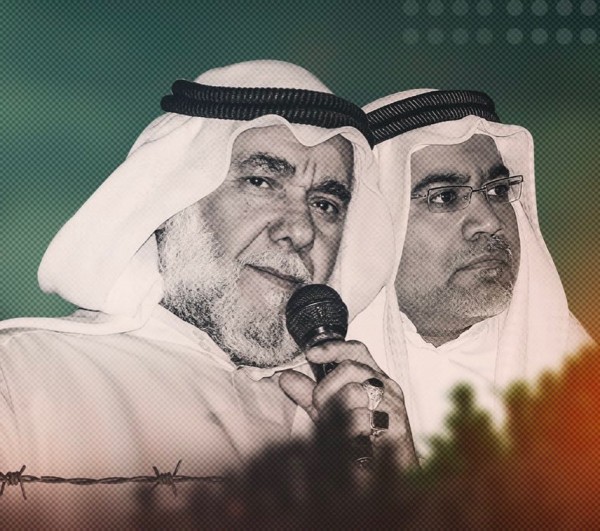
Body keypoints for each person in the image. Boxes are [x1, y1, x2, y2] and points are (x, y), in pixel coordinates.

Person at [0, 62, 415, 521]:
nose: (301, 230)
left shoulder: (346, 424)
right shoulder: (21, 377)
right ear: (172, 198)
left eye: (325, 204)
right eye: (262, 182)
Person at [349, 89, 595, 461]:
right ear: (376, 223)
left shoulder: (568, 369)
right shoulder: (313, 385)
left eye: (497, 190)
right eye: (445, 197)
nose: (490, 221)